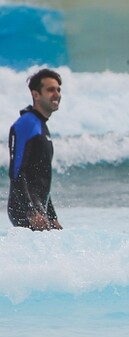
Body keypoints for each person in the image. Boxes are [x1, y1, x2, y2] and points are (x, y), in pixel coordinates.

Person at [7, 68, 63, 231]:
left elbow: (41, 177)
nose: (57, 94)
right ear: (36, 94)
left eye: (58, 90)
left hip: (39, 207)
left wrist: (52, 216)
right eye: (50, 90)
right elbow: (16, 172)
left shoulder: (41, 126)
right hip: (25, 208)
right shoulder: (26, 124)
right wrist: (30, 211)